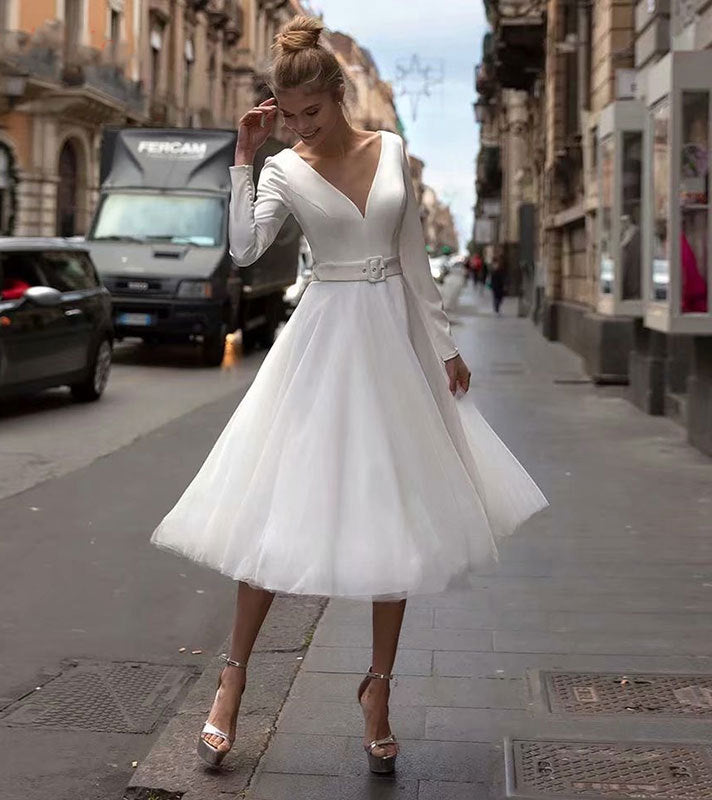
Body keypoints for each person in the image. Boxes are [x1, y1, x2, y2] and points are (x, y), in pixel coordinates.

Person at [149, 14, 548, 776]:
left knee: (391, 519)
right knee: (274, 512)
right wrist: (245, 158)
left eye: (312, 113)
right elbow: (242, 249)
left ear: (339, 95)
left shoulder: (391, 151)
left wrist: (446, 346)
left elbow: (413, 264)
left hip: (390, 346)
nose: (301, 127)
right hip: (322, 344)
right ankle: (232, 681)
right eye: (288, 116)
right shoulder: (282, 168)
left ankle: (379, 691)